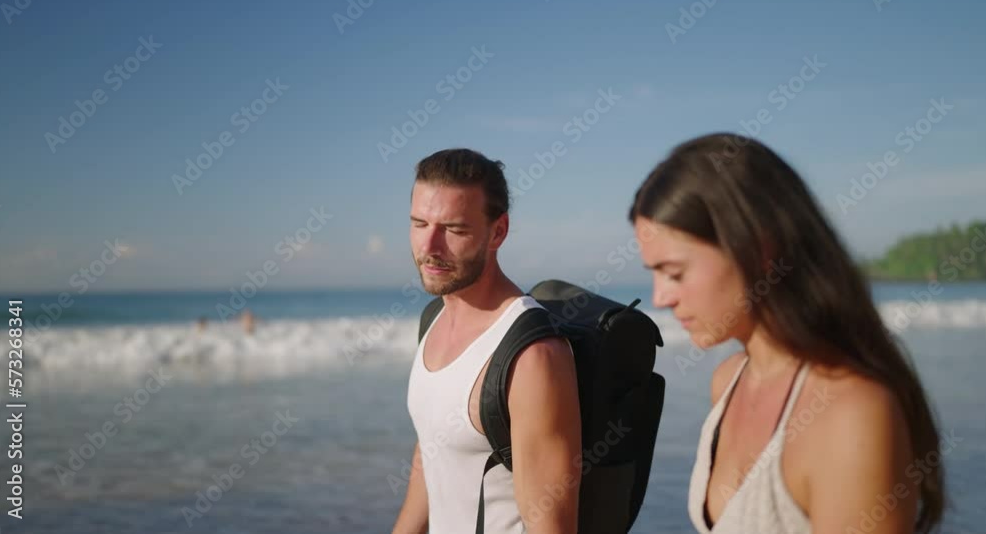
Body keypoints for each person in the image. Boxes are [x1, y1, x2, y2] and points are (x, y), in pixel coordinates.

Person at [627, 133, 945, 533]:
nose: (660, 298)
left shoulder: (852, 416)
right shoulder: (728, 382)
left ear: (760, 250)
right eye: (653, 273)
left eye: (675, 273)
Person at [393, 149, 582, 534]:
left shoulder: (531, 357)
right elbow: (433, 453)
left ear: (498, 231)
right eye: (419, 223)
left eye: (454, 229)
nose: (429, 246)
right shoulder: (433, 320)